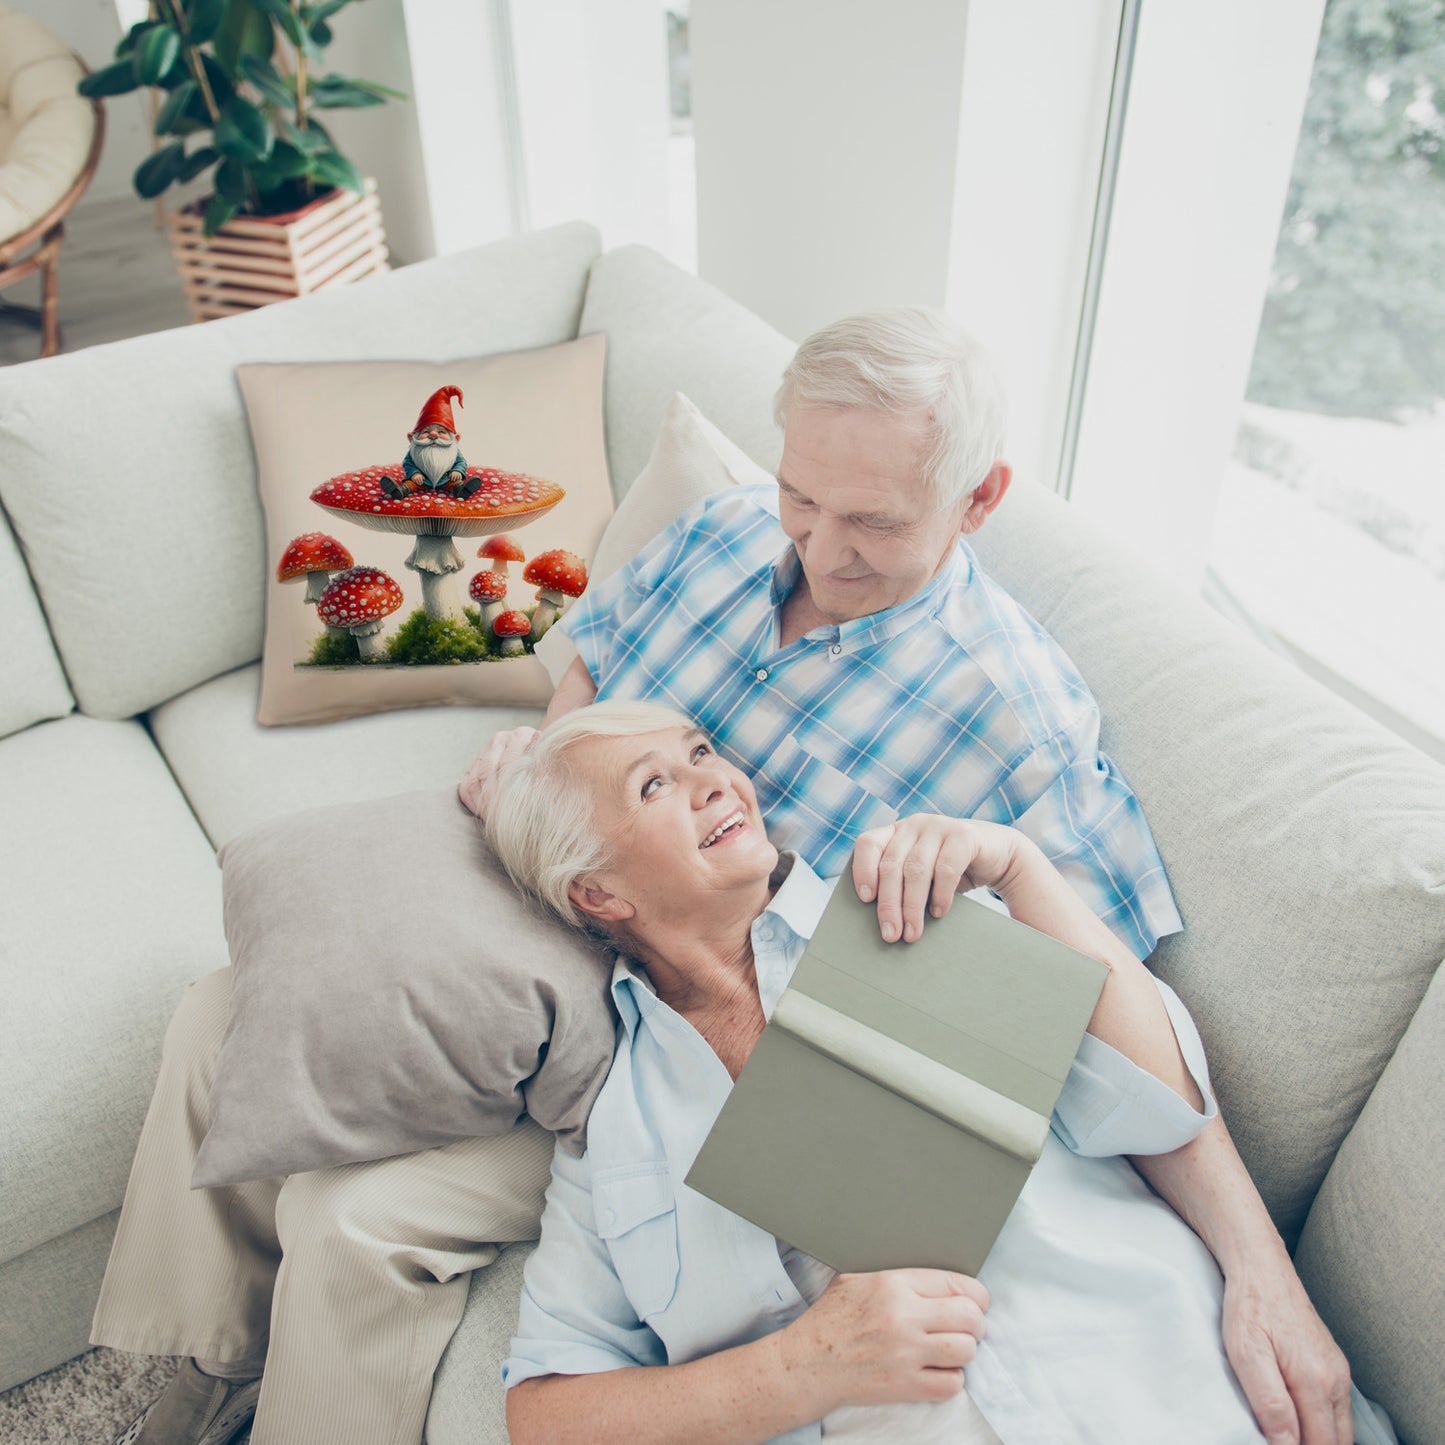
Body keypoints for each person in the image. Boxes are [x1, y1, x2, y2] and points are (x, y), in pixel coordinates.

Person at [95, 309, 1347, 1445]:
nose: (818, 545)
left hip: (690, 1013)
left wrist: (1259, 1266)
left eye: (871, 521)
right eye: (803, 495)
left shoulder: (1016, 723)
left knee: (355, 1219)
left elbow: (1103, 1019)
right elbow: (592, 669)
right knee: (228, 1008)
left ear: (976, 501)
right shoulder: (725, 532)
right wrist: (546, 764)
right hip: (580, 887)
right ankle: (186, 1367)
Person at [486, 701, 1386, 1445]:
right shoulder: (615, 1131)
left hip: (1174, 1395)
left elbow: (1158, 1107)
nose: (715, 779)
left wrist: (1021, 869)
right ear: (597, 893)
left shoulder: (910, 908)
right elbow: (545, 1414)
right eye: (655, 784)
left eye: (700, 752)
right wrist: (803, 1367)